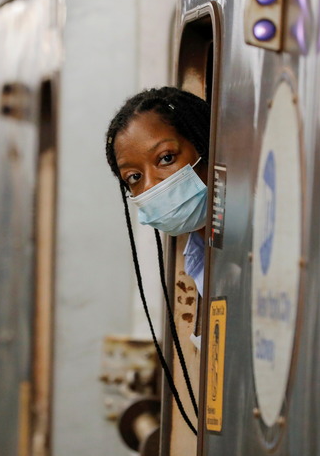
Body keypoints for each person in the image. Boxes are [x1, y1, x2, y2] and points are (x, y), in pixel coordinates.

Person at [104, 86, 212, 434]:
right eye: (133, 178)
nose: (150, 186)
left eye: (166, 158)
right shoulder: (193, 256)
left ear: (205, 143)